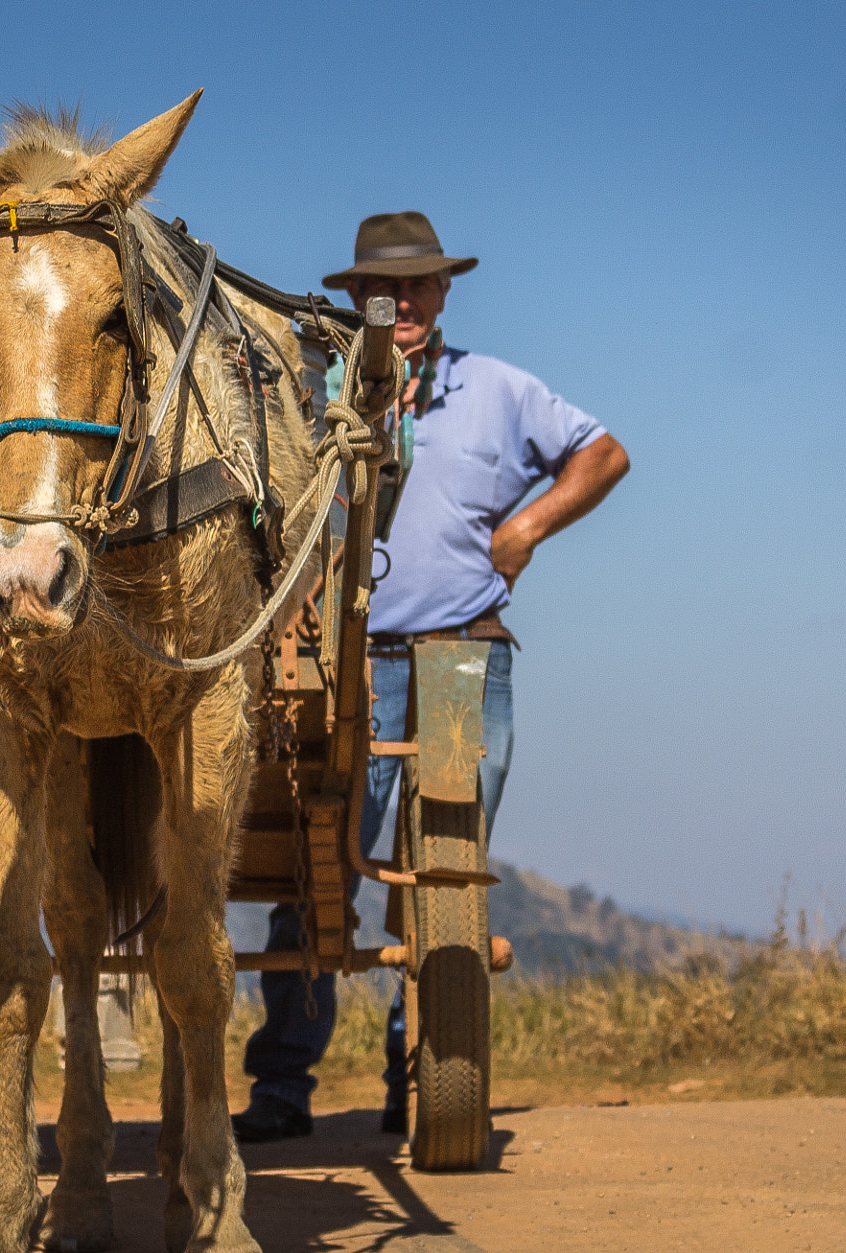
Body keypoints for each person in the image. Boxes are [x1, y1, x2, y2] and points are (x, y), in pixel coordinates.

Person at [232, 212, 631, 1141]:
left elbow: (603, 454)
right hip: (341, 666)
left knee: (444, 875)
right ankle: (283, 1088)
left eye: (417, 285)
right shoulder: (310, 391)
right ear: (353, 300)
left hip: (462, 654)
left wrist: (524, 529)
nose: (402, 302)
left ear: (445, 291)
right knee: (312, 867)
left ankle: (422, 1083)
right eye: (383, 289)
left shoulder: (495, 388)